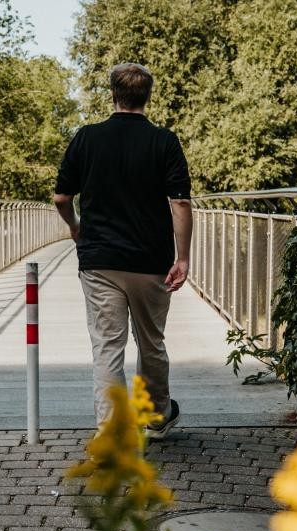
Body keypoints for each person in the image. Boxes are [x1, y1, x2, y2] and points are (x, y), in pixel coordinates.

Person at [53, 62, 193, 439]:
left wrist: (75, 227)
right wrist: (182, 258)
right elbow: (180, 203)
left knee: (107, 347)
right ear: (147, 96)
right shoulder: (164, 141)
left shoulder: (87, 137)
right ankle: (155, 416)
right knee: (151, 343)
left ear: (113, 94)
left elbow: (62, 197)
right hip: (151, 262)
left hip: (99, 260)